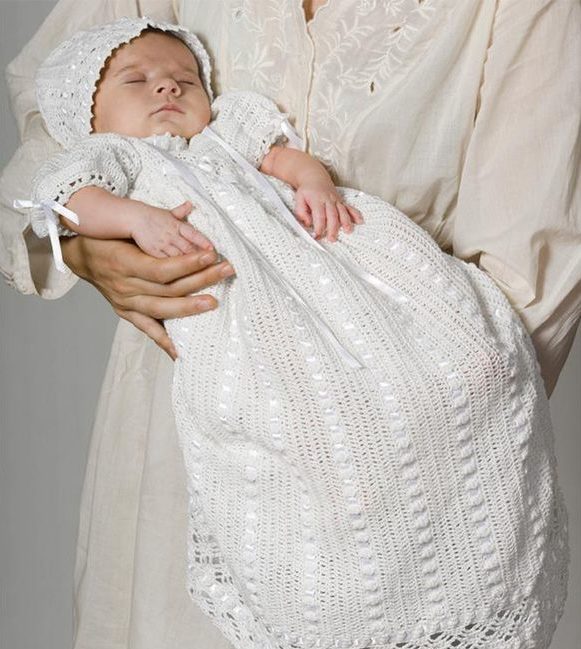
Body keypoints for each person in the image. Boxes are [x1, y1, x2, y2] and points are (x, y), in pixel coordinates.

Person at [1, 1, 579, 647]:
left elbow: (528, 275)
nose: (164, 88)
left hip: (401, 436)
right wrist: (84, 245)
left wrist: (383, 435)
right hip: (182, 392)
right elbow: (55, 107)